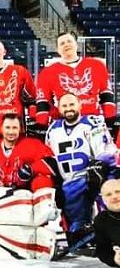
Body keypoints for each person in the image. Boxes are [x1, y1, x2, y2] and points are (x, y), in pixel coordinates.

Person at [46, 92, 117, 241]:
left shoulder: (92, 122)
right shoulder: (53, 129)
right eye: (64, 105)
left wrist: (99, 165)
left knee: (107, 191)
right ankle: (81, 234)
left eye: (72, 104)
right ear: (59, 108)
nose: (68, 108)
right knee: (76, 226)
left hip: (93, 175)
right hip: (69, 182)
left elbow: (106, 150)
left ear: (80, 105)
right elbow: (49, 156)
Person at [36, 32, 116, 136]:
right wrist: (42, 124)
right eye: (62, 43)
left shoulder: (97, 65)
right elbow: (43, 101)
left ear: (76, 44)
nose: (66, 45)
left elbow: (106, 94)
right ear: (57, 49)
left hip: (93, 122)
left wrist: (110, 118)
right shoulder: (47, 72)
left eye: (69, 41)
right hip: (63, 124)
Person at [0, 113, 57, 191]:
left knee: (43, 181)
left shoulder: (32, 144)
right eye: (7, 127)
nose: (11, 132)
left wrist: (31, 169)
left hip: (24, 195)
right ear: (1, 128)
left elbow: (52, 162)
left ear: (20, 129)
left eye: (14, 128)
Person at [94, 179, 120, 268]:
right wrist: (115, 260)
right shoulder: (101, 220)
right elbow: (102, 250)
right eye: (109, 194)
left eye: (118, 192)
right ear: (103, 199)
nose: (114, 196)